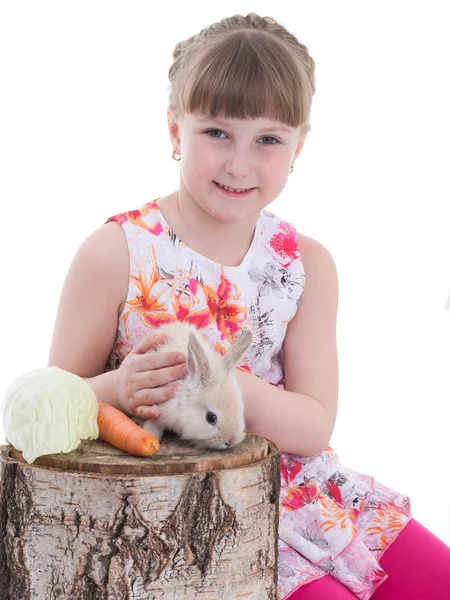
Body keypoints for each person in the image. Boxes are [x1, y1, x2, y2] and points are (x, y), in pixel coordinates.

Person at [47, 12, 450, 600]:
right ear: (174, 130)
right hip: (188, 515)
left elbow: (313, 427)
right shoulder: (117, 252)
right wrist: (116, 390)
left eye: (268, 140)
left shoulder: (303, 262)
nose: (239, 164)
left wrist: (224, 386)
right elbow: (50, 404)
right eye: (216, 133)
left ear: (299, 146)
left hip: (302, 492)